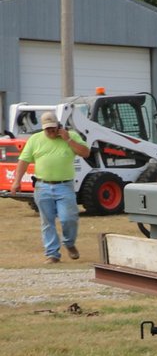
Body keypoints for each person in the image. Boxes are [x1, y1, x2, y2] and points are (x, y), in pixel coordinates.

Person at [19, 112, 89, 263]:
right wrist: (16, 181)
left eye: (53, 127)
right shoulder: (35, 139)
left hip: (64, 186)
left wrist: (68, 139)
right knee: (47, 222)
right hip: (42, 186)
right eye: (47, 128)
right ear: (43, 128)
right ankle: (52, 254)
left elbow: (85, 153)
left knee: (68, 218)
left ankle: (69, 243)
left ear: (58, 126)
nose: (50, 131)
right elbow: (24, 160)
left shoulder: (71, 136)